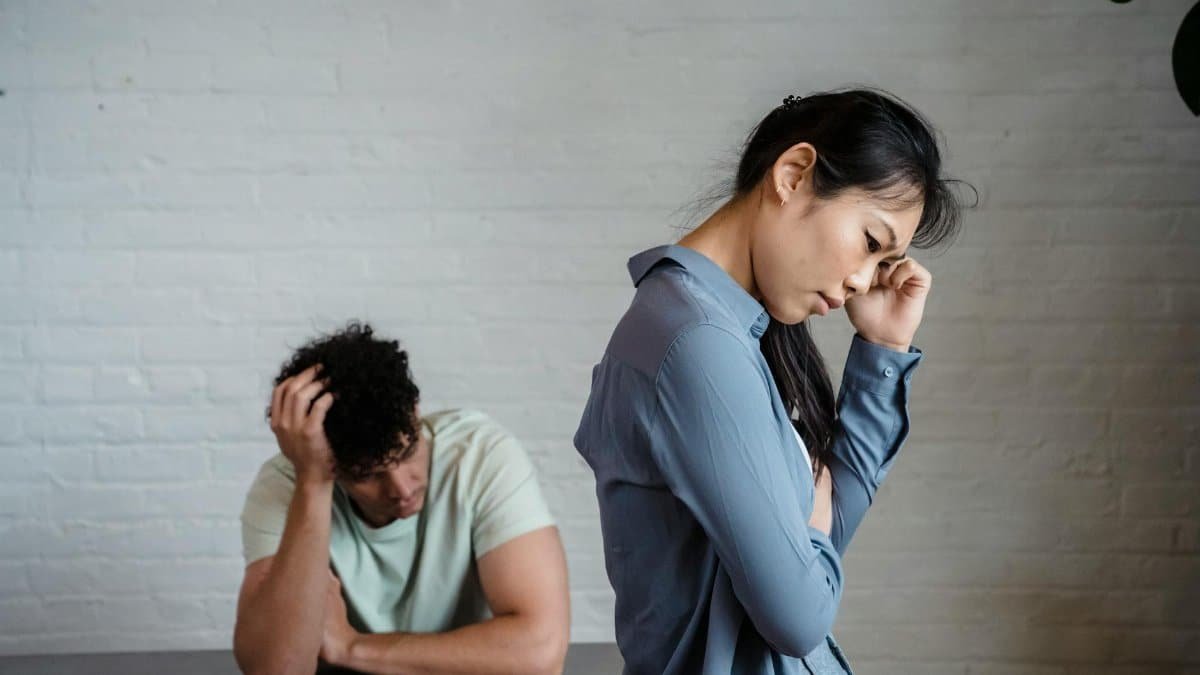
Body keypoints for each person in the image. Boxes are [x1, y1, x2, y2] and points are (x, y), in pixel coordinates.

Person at [573, 89, 970, 674]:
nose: (864, 281)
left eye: (884, 263)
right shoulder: (697, 344)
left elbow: (824, 536)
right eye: (869, 242)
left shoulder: (726, 334)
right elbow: (798, 618)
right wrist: (809, 530)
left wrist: (882, 352)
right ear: (793, 174)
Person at [233, 322, 570, 675]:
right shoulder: (288, 485)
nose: (402, 488)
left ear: (416, 410)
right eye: (368, 475)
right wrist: (314, 483)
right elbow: (276, 670)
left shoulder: (480, 456)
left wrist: (351, 648)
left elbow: (540, 654)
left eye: (408, 452)